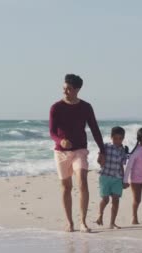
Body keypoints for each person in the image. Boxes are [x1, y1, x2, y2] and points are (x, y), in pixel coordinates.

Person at [49, 74, 106, 232]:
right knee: (66, 187)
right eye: (64, 89)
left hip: (80, 150)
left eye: (68, 89)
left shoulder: (86, 107)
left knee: (82, 181)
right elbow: (52, 132)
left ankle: (83, 222)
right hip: (61, 152)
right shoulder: (56, 107)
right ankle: (69, 222)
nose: (65, 92)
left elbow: (95, 129)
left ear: (77, 89)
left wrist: (102, 150)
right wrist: (60, 141)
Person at [95, 126, 129, 229]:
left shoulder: (123, 150)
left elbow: (121, 166)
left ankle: (112, 223)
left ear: (123, 138)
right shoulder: (105, 147)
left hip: (117, 178)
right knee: (105, 200)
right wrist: (101, 158)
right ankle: (100, 215)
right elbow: (99, 161)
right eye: (115, 138)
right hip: (105, 176)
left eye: (120, 138)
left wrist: (124, 180)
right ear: (111, 137)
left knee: (116, 200)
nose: (117, 141)